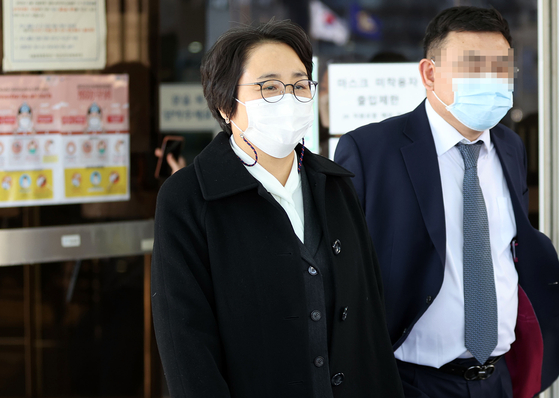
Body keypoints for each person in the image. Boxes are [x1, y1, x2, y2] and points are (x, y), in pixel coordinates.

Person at [151, 19, 404, 398]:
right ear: (224, 104)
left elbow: (369, 322)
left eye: (300, 85)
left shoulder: (336, 186)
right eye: (269, 87)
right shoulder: (188, 198)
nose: (290, 98)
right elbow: (186, 344)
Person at [334, 6, 559, 398]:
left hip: (501, 379)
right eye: (473, 65)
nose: (490, 78)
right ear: (429, 73)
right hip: (412, 382)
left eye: (501, 66)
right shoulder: (372, 151)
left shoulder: (508, 146)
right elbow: (344, 272)